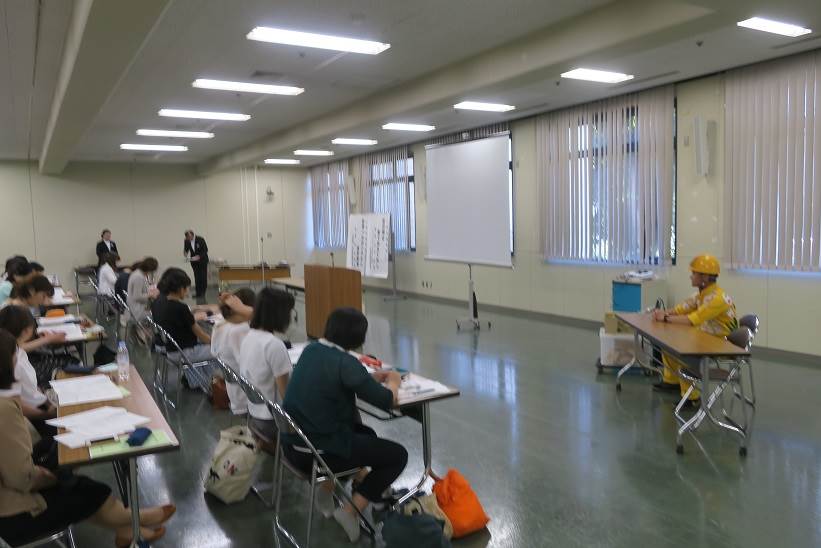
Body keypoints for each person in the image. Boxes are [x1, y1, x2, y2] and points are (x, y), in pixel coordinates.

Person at [0, 329, 175, 547]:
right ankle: (134, 519)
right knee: (84, 490)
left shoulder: (6, 400)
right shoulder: (4, 410)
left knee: (58, 452)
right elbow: (22, 479)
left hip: (9, 485)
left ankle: (126, 529)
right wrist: (49, 477)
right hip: (11, 515)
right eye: (17, 357)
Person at [283, 308, 406, 542]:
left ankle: (328, 490)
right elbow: (386, 400)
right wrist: (393, 382)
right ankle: (350, 511)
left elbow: (333, 382)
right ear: (358, 338)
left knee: (366, 433)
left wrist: (368, 380)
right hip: (319, 455)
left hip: (294, 446)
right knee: (397, 456)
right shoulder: (346, 362)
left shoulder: (312, 349)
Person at [652, 254, 738, 406]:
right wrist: (665, 313)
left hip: (722, 343)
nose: (691, 277)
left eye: (694, 274)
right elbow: (682, 309)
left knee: (685, 352)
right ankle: (671, 382)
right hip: (707, 336)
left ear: (704, 277)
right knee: (669, 343)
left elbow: (692, 320)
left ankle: (692, 398)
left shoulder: (716, 298)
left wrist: (664, 319)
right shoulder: (702, 295)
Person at [239, 288, 294, 441]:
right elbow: (287, 396)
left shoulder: (249, 336)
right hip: (273, 422)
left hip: (254, 414)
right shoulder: (274, 345)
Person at [151, 268, 215, 388]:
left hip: (169, 349)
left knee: (206, 345)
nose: (187, 293)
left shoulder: (158, 303)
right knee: (221, 351)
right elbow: (200, 334)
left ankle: (195, 380)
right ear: (181, 288)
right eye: (187, 289)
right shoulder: (181, 308)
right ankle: (200, 383)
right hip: (183, 353)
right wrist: (217, 344)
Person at [0, 306, 57, 432]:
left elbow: (30, 386)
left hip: (40, 405)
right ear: (26, 331)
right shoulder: (12, 362)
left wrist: (48, 402)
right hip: (34, 416)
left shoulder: (17, 352)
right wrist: (47, 414)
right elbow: (18, 405)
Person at [210, 288, 255, 415]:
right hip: (247, 398)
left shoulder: (221, 323)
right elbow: (247, 365)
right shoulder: (240, 328)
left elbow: (214, 352)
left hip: (234, 390)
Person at [126, 257, 159, 340]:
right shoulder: (139, 277)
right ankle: (154, 339)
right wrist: (151, 295)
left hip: (134, 307)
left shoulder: (137, 273)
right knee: (159, 315)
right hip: (138, 310)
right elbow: (137, 296)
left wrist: (149, 292)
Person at [183, 230, 209, 298]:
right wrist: (185, 254)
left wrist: (199, 257)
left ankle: (203, 293)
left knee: (202, 277)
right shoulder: (186, 240)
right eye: (187, 238)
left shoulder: (200, 239)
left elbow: (205, 250)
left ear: (192, 235)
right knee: (197, 277)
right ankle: (198, 293)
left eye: (190, 237)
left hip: (202, 261)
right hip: (194, 262)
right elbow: (186, 250)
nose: (189, 239)